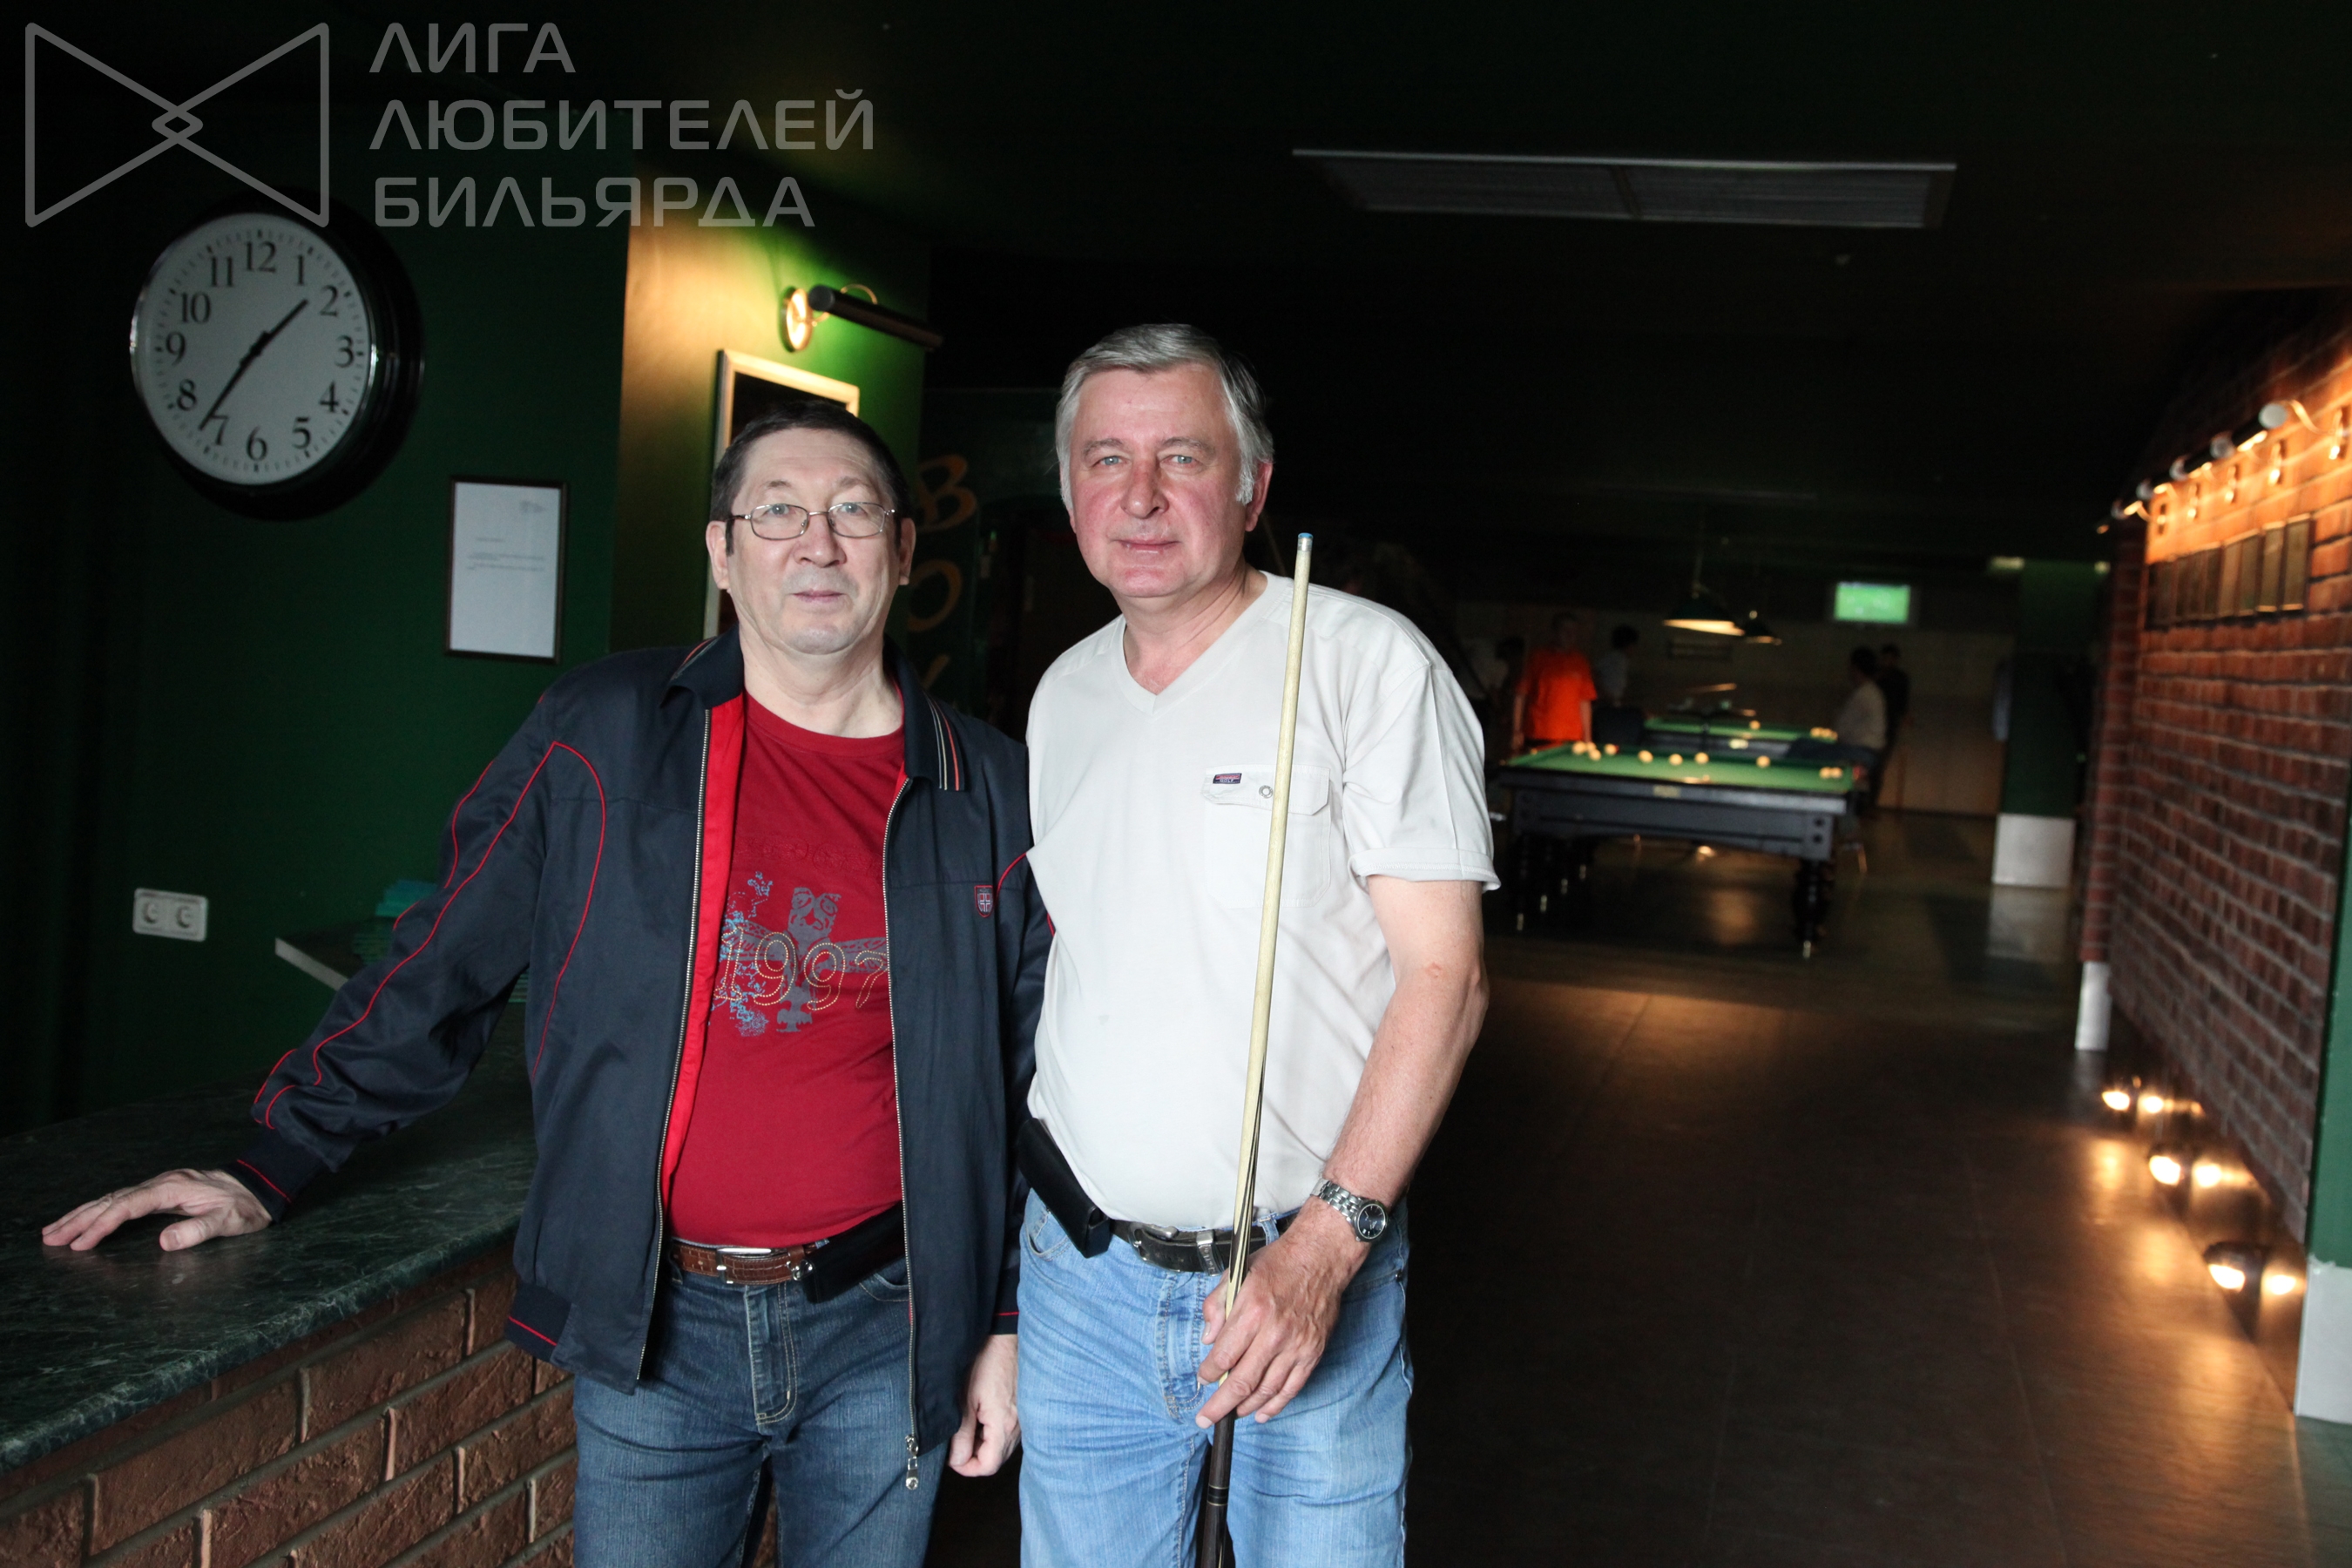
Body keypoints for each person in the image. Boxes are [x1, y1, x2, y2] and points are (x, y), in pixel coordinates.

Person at [42, 402, 1045, 1568]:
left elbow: (1030, 1080)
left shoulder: (990, 787)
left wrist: (1004, 1321)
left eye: (854, 512)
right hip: (652, 1324)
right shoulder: (604, 731)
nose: (817, 543)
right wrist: (273, 1162)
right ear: (722, 553)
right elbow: (444, 958)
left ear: (904, 550)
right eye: (777, 512)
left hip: (890, 1320)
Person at [1015, 324, 1493, 1567]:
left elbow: (1446, 978)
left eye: (1183, 456)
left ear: (1252, 486)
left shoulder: (1366, 664)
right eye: (1106, 459)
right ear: (1069, 490)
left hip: (1299, 1264)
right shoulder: (1062, 695)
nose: (1141, 495)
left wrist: (1325, 1251)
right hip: (1081, 1276)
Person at [1511, 610, 1598, 753]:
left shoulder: (1581, 662)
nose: (1570, 635)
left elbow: (1584, 701)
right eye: (1565, 630)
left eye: (1574, 632)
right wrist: (1516, 730)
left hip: (1572, 737)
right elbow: (1520, 695)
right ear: (1554, 632)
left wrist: (1587, 738)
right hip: (1538, 732)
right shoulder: (1538, 658)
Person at [1872, 643, 1911, 808]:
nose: (1887, 661)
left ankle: (1871, 804)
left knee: (1880, 767)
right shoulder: (1875, 676)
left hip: (1889, 726)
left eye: (1890, 658)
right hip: (1872, 726)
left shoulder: (1900, 678)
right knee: (1869, 766)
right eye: (1885, 658)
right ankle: (1865, 804)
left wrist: (1904, 718)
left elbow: (1903, 703)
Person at [1834, 645, 1889, 751]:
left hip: (1860, 749)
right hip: (1870, 748)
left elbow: (1841, 729)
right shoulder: (1873, 691)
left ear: (1855, 668)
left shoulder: (1863, 695)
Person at [1592, 623, 1639, 705]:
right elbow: (1595, 673)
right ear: (1629, 645)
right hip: (1607, 701)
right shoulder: (1615, 658)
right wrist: (1606, 694)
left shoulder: (1622, 660)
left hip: (1613, 700)